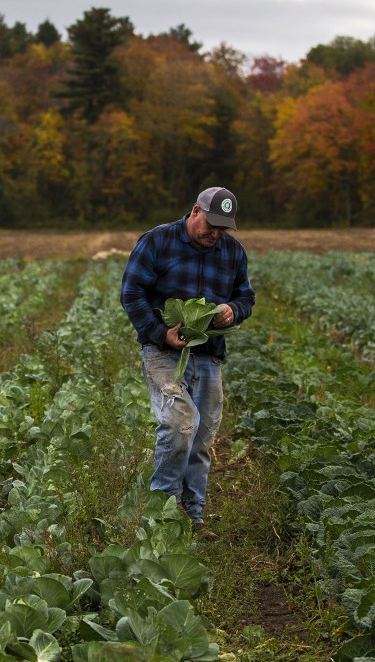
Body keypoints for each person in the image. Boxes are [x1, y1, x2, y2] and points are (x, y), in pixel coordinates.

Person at [120, 185, 255, 537]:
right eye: (211, 224)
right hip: (163, 351)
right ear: (196, 211)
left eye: (223, 228)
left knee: (203, 435)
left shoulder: (232, 252)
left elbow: (246, 297)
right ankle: (161, 512)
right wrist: (159, 332)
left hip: (208, 354)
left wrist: (233, 310)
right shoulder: (158, 241)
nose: (215, 233)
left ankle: (193, 516)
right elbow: (131, 292)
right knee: (180, 423)